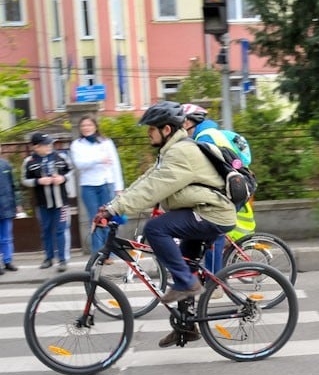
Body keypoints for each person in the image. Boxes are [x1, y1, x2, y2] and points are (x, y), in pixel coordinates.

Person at [94, 101, 237, 348]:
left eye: (151, 128)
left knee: (155, 228)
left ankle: (187, 284)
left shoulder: (181, 153)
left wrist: (115, 209)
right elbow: (146, 180)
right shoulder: (170, 151)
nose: (148, 132)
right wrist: (113, 204)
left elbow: (154, 189)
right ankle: (186, 327)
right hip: (200, 211)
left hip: (213, 214)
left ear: (167, 129)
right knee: (183, 266)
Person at [181, 103, 255, 276]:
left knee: (213, 228)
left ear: (188, 123)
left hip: (234, 187)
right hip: (233, 186)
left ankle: (215, 282)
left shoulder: (206, 138)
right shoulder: (205, 135)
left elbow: (206, 170)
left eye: (180, 122)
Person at [70, 116, 124, 254]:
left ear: (95, 126)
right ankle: (98, 253)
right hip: (88, 186)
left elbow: (115, 164)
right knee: (95, 220)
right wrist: (99, 159)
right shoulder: (77, 144)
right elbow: (80, 164)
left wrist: (119, 187)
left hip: (107, 183)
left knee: (108, 218)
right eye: (83, 126)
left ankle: (109, 253)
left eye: (89, 125)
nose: (86, 128)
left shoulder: (106, 142)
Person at [21, 132, 72, 272]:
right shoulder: (29, 161)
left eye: (50, 143)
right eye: (45, 144)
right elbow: (24, 180)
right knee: (46, 231)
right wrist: (38, 181)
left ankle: (63, 260)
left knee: (61, 230)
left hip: (61, 203)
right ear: (36, 147)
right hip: (42, 204)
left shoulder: (60, 157)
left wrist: (63, 178)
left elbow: (70, 171)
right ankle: (48, 258)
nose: (49, 146)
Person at [0, 150, 23, 273]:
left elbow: (15, 186)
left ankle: (7, 261)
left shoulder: (6, 165)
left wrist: (18, 203)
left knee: (7, 237)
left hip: (6, 205)